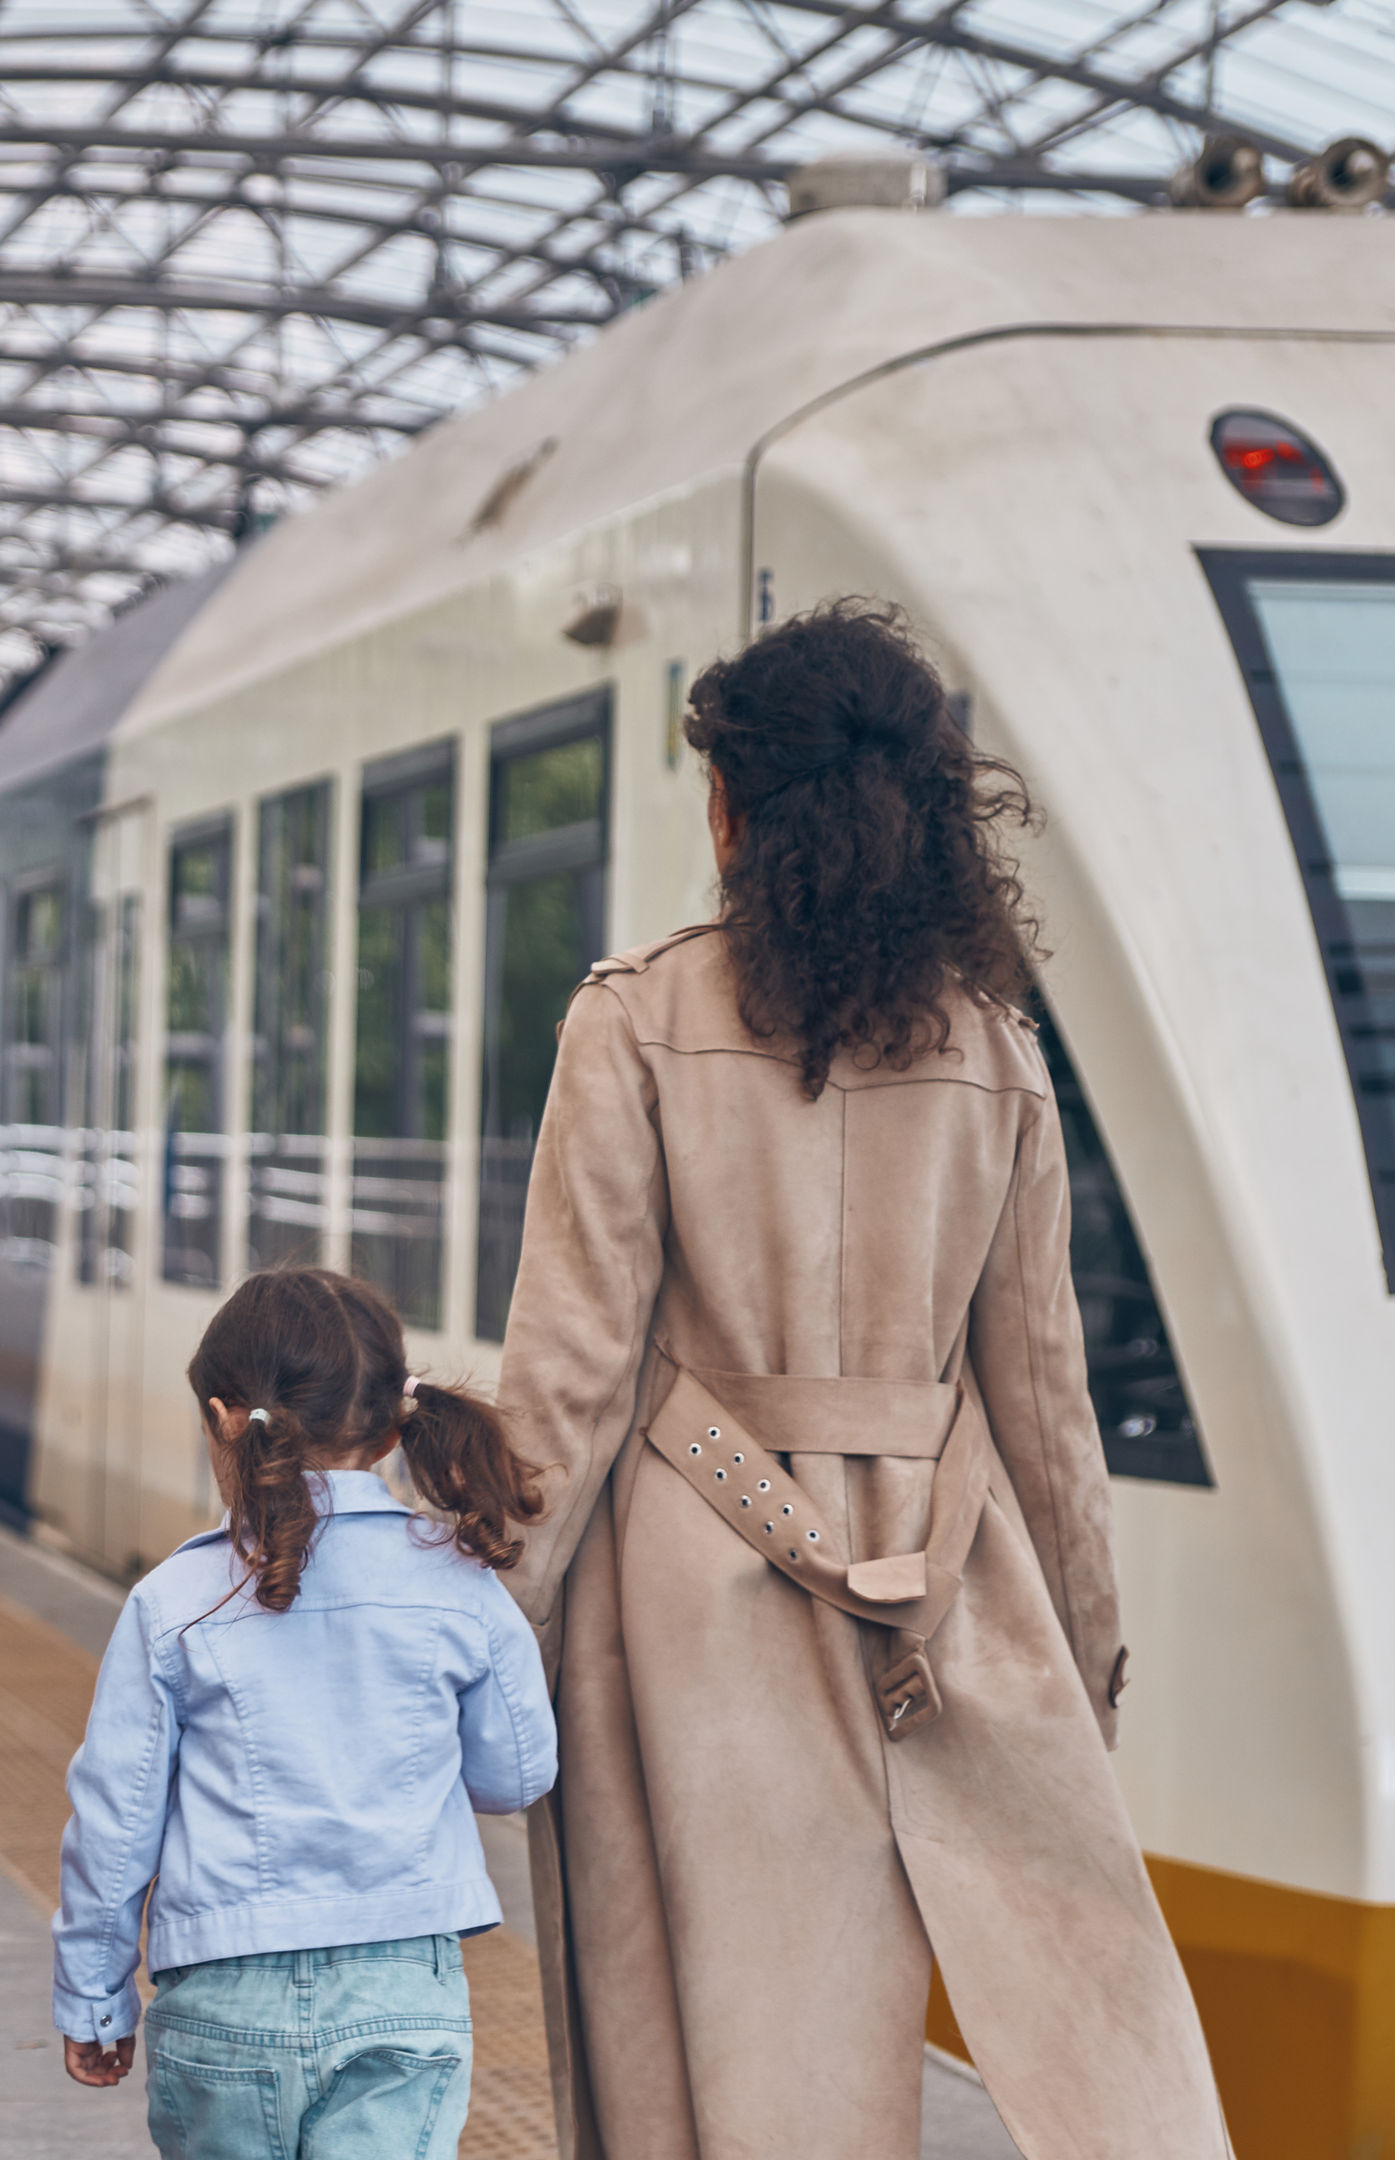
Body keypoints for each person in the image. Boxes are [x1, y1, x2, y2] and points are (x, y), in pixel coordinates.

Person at [496, 600, 1228, 2155]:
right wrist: (1078, 1658)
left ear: (729, 810)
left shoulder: (632, 1020)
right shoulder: (997, 1050)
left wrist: (480, 1639)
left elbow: (566, 1374)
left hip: (688, 1604)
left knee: (708, 2064)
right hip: (945, 1590)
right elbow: (1045, 1397)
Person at [47, 1268, 555, 2159]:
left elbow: (116, 1822)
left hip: (221, 1996)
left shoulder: (176, 1600)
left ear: (220, 1418)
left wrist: (95, 1993)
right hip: (404, 1988)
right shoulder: (462, 1584)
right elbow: (517, 1776)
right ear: (400, 1423)